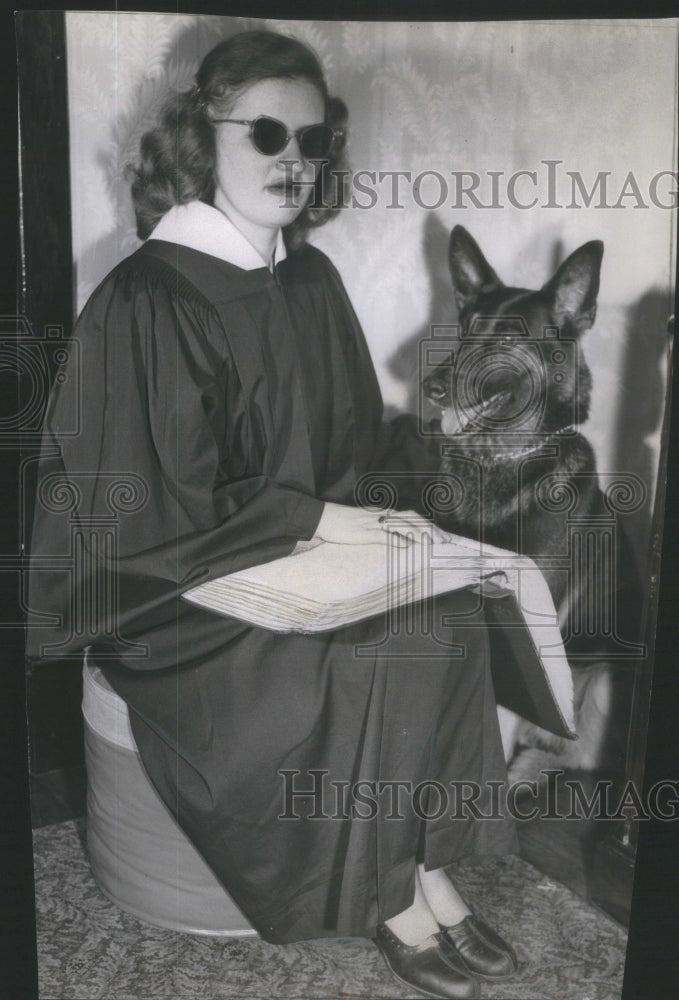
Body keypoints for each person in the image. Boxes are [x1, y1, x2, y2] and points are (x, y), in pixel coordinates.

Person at [28, 30, 528, 1000]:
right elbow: (143, 503)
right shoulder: (148, 298)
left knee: (451, 608)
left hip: (290, 557)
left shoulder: (308, 280)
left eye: (312, 139)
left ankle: (425, 861)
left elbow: (350, 449)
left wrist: (412, 502)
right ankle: (383, 893)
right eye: (264, 134)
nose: (292, 161)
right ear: (195, 139)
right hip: (174, 592)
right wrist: (320, 522)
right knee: (371, 648)